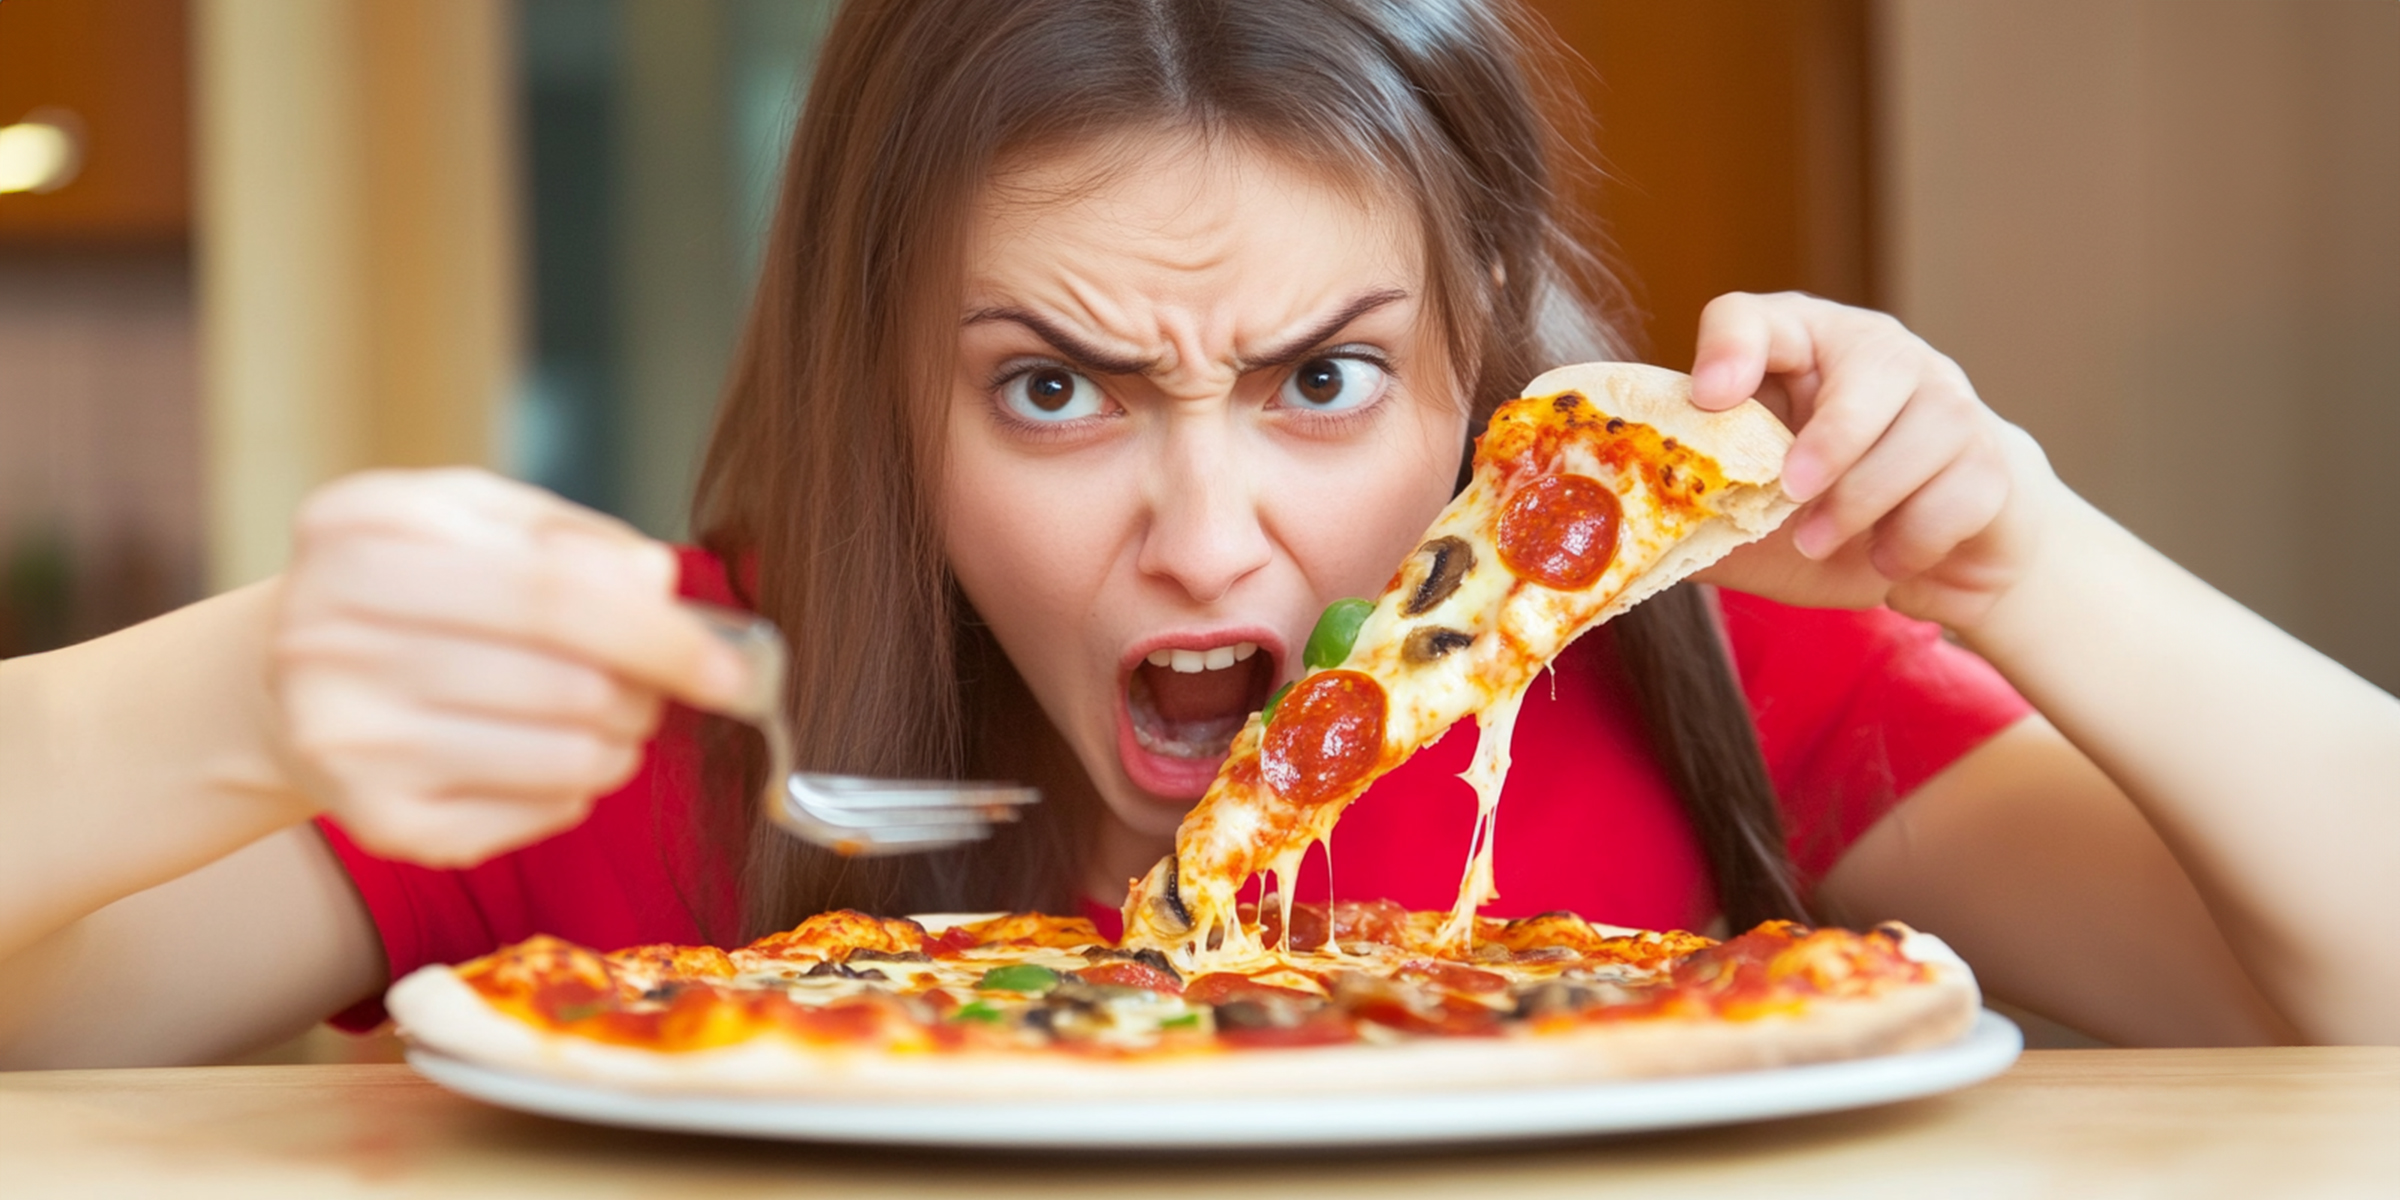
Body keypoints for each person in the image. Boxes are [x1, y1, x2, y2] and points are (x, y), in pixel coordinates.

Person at [2, 0, 2395, 1069]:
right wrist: (233, 692)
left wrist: (2026, 558)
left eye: (1325, 380)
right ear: (887, 400)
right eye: (1052, 388)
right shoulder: (665, 737)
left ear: (1485, 376)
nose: (1204, 535)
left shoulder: (1702, 676)